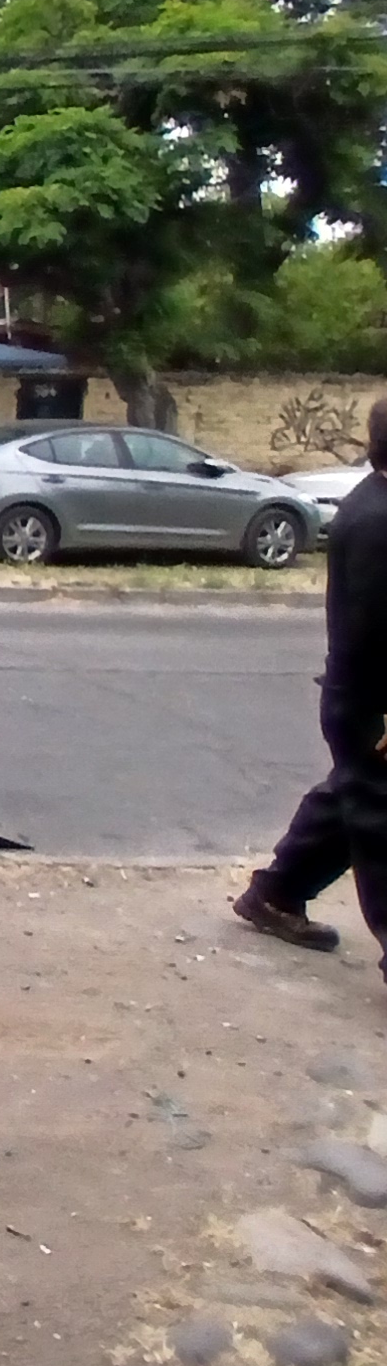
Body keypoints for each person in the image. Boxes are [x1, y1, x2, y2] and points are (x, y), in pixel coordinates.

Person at [235, 397, 387, 958]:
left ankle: (277, 894)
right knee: (380, 819)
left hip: (364, 701)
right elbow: (375, 632)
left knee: (353, 797)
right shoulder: (377, 522)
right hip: (372, 702)